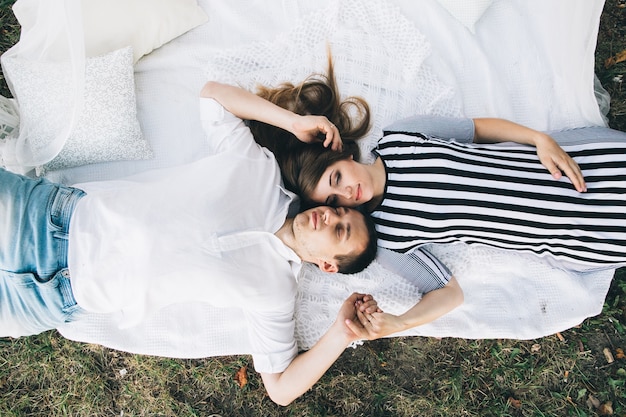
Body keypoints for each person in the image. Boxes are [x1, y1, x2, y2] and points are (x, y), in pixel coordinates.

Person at [0, 83, 381, 406]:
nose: (329, 216)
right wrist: (294, 122)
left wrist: (341, 333)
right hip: (50, 223)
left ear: (327, 265)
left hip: (51, 299)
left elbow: (280, 389)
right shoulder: (259, 169)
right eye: (336, 209)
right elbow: (212, 96)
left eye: (340, 230)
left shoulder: (277, 293)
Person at [204, 56, 626, 339]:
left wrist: (538, 139)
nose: (346, 195)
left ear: (341, 153)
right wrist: (399, 323)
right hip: (574, 229)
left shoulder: (403, 135)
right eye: (336, 203)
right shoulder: (387, 238)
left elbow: (478, 129)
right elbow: (449, 293)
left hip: (568, 167)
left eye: (335, 179)